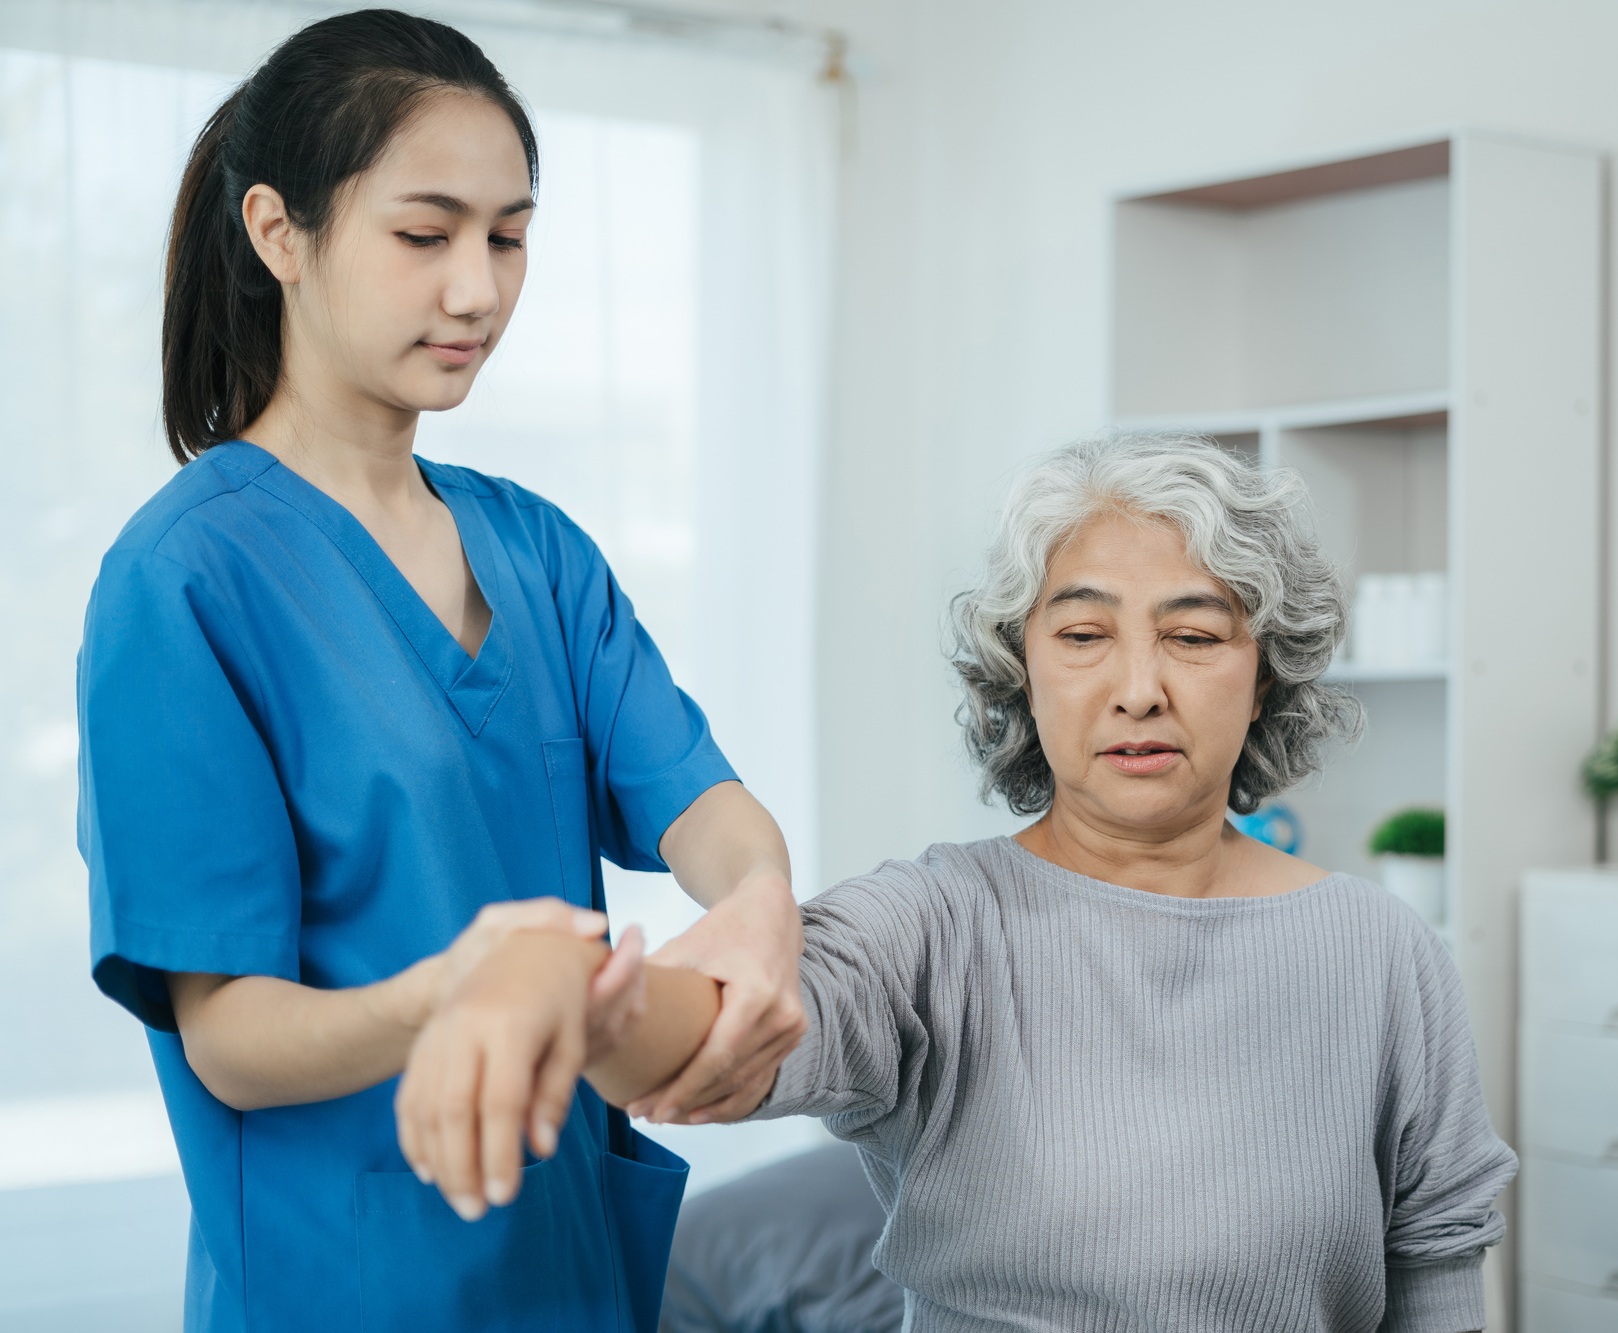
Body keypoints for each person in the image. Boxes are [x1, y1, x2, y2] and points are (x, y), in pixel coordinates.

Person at [402, 434, 1518, 1332]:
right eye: (1082, 633)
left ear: (1261, 671)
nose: (1138, 687)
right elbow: (732, 1020)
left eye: (1192, 634)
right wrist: (562, 981)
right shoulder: (933, 926)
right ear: (1020, 669)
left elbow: (1435, 1287)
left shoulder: (1382, 955)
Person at [75, 11, 802, 1332]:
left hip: (569, 1268)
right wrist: (461, 987)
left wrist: (760, 899)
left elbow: (701, 800)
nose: (478, 289)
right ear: (279, 233)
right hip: (348, 1288)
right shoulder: (185, 578)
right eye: (427, 234)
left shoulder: (534, 547)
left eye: (508, 235)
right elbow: (230, 1037)